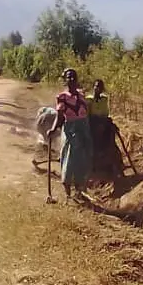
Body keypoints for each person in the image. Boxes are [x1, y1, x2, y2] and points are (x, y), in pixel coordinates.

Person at [48, 68, 93, 198]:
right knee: (69, 157)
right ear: (65, 80)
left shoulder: (82, 95)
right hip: (71, 130)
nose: (72, 79)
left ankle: (79, 189)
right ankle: (67, 189)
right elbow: (60, 116)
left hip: (84, 129)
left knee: (83, 159)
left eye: (74, 76)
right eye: (69, 77)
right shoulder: (62, 97)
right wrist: (53, 128)